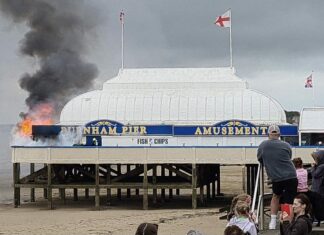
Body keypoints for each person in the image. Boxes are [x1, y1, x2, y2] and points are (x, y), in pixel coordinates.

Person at [257, 124, 297, 229]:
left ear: (268, 134)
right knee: (289, 201)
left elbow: (259, 158)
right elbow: (289, 156)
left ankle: (273, 222)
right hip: (290, 175)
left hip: (276, 177)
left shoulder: (263, 145)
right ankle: (286, 222)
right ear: (279, 134)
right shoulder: (286, 145)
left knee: (276, 196)